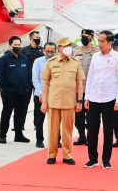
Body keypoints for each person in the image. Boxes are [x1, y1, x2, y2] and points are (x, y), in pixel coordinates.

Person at [84, 30, 118, 169]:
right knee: (92, 129)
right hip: (94, 97)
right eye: (99, 41)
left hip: (110, 98)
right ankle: (92, 159)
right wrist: (87, 97)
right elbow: (90, 77)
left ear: (110, 42)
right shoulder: (95, 56)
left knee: (108, 130)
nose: (99, 44)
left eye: (102, 41)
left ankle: (106, 159)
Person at [41, 37, 85, 165]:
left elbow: (80, 83)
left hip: (69, 102)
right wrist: (44, 102)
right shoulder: (51, 62)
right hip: (53, 101)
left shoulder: (75, 62)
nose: (68, 48)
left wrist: (79, 101)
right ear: (59, 48)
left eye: (69, 46)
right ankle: (52, 154)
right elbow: (45, 84)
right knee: (53, 130)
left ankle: (67, 155)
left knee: (67, 130)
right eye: (65, 46)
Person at [0, 36, 31, 144]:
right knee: (6, 113)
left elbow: (28, 74)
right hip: (8, 92)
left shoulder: (24, 58)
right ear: (10, 45)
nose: (17, 47)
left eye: (19, 45)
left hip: (23, 92)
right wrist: (6, 88)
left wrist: (27, 86)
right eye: (15, 45)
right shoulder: (3, 59)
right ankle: (2, 135)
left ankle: (19, 135)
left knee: (20, 114)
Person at [32, 42, 61, 148]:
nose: (49, 53)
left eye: (52, 51)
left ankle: (57, 140)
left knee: (56, 119)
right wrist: (40, 94)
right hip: (40, 95)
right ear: (43, 51)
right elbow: (35, 79)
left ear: (56, 51)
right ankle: (39, 140)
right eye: (47, 51)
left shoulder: (59, 61)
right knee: (40, 119)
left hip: (55, 95)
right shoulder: (38, 61)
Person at [72, 29, 99, 145]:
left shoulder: (97, 52)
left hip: (92, 89)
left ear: (92, 38)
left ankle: (89, 136)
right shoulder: (75, 51)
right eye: (82, 36)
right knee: (78, 115)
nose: (84, 39)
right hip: (78, 89)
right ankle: (81, 136)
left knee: (91, 115)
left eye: (86, 37)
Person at [18, 31, 44, 130]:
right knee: (23, 104)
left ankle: (37, 124)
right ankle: (20, 125)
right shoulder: (23, 50)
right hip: (27, 81)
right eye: (36, 37)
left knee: (38, 104)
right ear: (31, 39)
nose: (38, 39)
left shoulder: (42, 51)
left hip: (39, 81)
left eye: (39, 37)